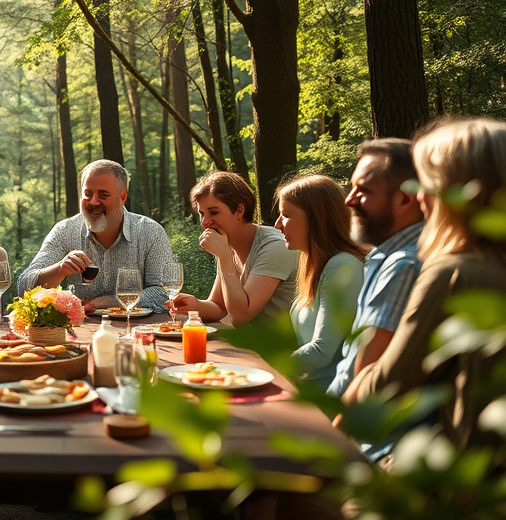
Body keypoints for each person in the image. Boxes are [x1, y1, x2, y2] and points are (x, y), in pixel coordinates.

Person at [344, 117, 506, 454]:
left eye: (428, 184)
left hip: (455, 484)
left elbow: (386, 388)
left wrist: (359, 384)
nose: (420, 199)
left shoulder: (453, 272)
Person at [326, 139, 424, 399]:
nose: (349, 201)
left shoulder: (404, 264)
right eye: (351, 188)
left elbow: (365, 374)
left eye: (363, 190)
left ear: (405, 200)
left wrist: (324, 430)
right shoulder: (385, 256)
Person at [16, 160, 175, 313]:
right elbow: (24, 287)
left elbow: (163, 293)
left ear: (123, 197)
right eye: (87, 194)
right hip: (79, 333)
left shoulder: (150, 232)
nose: (93, 202)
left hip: (136, 331)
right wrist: (60, 269)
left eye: (103, 195)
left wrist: (109, 302)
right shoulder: (65, 231)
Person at [170, 171, 299, 325]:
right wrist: (195, 305)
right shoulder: (227, 243)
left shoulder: (275, 247)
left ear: (239, 211)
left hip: (283, 346)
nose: (205, 222)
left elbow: (241, 316)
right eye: (202, 214)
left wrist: (225, 258)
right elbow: (218, 306)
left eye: (214, 212)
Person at [275, 175, 366, 389]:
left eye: (286, 215)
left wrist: (270, 369)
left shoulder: (342, 265)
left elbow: (322, 352)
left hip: (329, 395)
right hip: (306, 386)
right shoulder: (315, 264)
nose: (278, 224)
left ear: (316, 218)